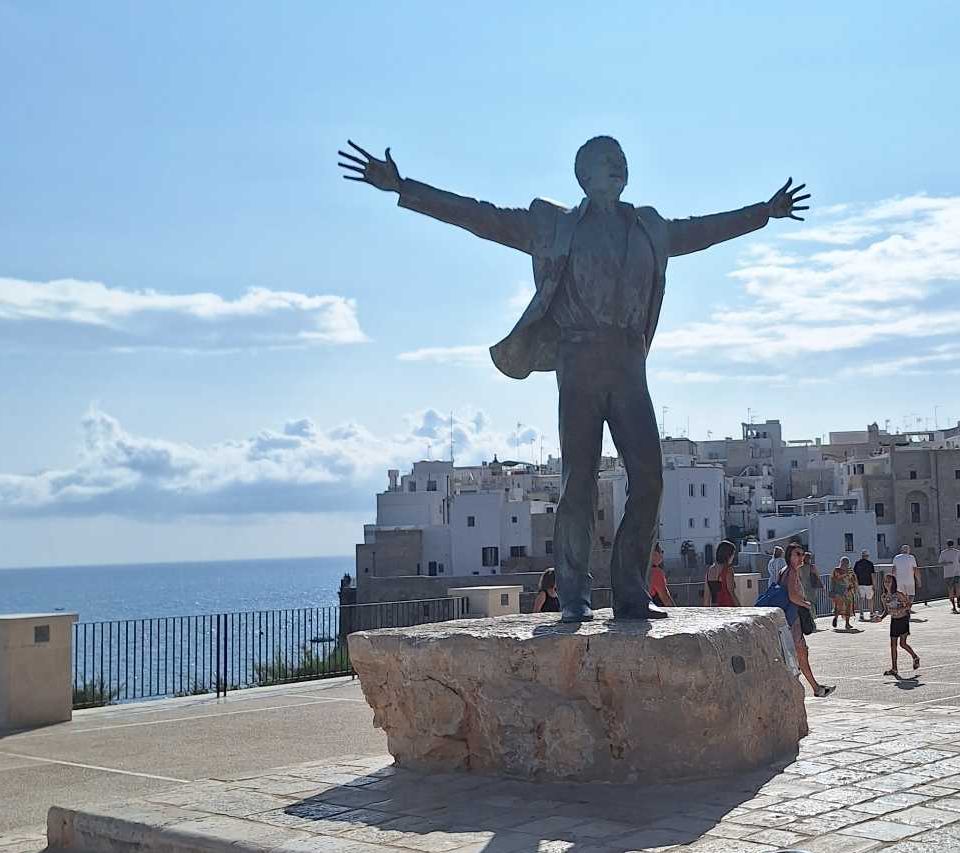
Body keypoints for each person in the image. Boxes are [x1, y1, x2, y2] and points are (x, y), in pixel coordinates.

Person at [339, 137, 809, 623]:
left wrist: (764, 212)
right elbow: (480, 218)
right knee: (578, 483)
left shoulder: (648, 227)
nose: (619, 166)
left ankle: (630, 591)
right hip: (579, 359)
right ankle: (574, 596)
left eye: (622, 160)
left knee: (649, 478)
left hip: (629, 362)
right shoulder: (554, 225)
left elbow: (704, 230)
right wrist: (405, 187)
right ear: (583, 176)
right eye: (608, 161)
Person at [781, 544, 833, 697]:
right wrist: (806, 604)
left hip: (788, 619)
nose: (801, 557)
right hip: (793, 619)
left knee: (800, 653)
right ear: (789, 556)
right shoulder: (791, 572)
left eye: (802, 554)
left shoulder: (784, 572)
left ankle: (815, 687)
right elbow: (792, 596)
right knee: (800, 653)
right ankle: (814, 688)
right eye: (797, 554)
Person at [876, 575, 920, 678]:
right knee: (893, 645)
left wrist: (899, 610)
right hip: (894, 621)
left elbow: (909, 605)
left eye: (889, 581)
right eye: (885, 581)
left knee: (902, 644)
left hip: (903, 619)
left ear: (893, 583)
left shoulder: (898, 594)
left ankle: (915, 657)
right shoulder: (884, 597)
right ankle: (894, 668)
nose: (887, 583)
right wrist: (881, 618)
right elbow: (886, 611)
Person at [703, 540, 738, 607]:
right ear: (728, 555)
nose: (733, 557)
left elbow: (706, 600)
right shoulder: (728, 570)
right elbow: (732, 594)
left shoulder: (709, 571)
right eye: (733, 554)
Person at [829, 557, 858, 631]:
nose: (845, 564)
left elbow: (853, 580)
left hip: (848, 591)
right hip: (838, 592)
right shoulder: (837, 570)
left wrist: (854, 587)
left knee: (848, 607)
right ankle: (836, 617)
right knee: (838, 607)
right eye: (844, 562)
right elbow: (834, 579)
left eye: (847, 563)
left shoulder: (850, 571)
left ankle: (847, 624)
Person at [939, 539, 960, 612]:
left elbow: (940, 562)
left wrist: (947, 563)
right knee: (958, 588)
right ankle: (959, 603)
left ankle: (953, 606)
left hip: (947, 574)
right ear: (953, 544)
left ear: (947, 545)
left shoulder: (943, 552)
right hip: (957, 573)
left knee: (950, 590)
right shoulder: (957, 552)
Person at [853, 550, 877, 622]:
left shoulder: (857, 564)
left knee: (861, 599)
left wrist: (856, 584)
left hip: (860, 584)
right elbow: (872, 575)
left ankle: (861, 614)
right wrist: (874, 584)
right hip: (869, 584)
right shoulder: (870, 564)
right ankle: (871, 613)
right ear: (867, 556)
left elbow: (855, 575)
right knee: (870, 599)